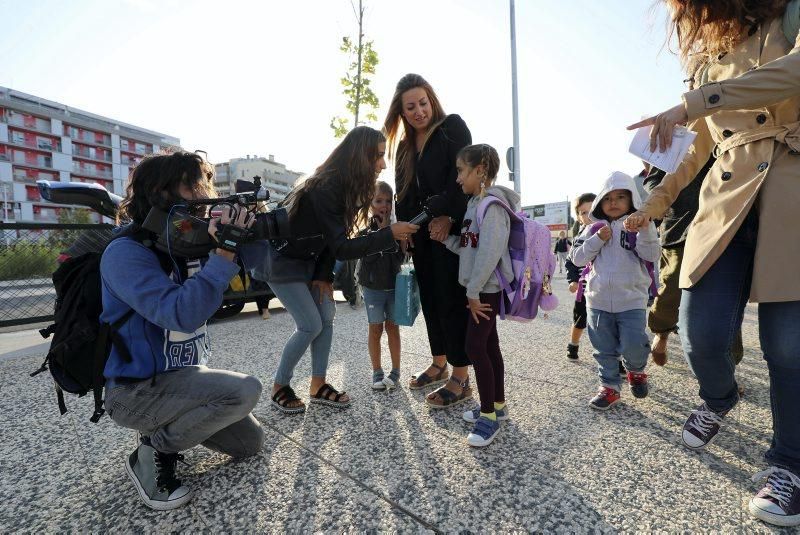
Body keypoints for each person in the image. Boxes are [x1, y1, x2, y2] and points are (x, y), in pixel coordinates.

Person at [625, 0, 800, 525]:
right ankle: (721, 397)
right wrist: (650, 207)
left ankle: (789, 463)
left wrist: (696, 100)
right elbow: (694, 149)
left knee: (788, 345)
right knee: (698, 330)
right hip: (726, 198)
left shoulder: (790, 15)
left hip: (791, 186)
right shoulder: (708, 56)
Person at [100, 151, 265, 511]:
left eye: (204, 184)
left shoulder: (188, 241)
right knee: (244, 391)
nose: (204, 196)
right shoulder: (124, 253)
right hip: (136, 389)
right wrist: (223, 256)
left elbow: (262, 270)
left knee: (249, 443)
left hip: (182, 376)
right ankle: (153, 449)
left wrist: (253, 232)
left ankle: (168, 426)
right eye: (193, 186)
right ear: (160, 192)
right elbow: (180, 314)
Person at [244, 126, 419, 415]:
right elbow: (341, 247)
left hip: (310, 261)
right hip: (282, 261)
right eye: (377, 156)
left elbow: (330, 238)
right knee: (310, 324)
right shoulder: (326, 186)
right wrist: (391, 234)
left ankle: (318, 384)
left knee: (326, 315)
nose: (383, 164)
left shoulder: (351, 188)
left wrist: (323, 275)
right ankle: (280, 386)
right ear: (359, 156)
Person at [384, 73, 474, 408]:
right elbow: (403, 193)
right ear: (402, 113)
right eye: (411, 106)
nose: (419, 110)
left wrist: (448, 216)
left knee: (452, 301)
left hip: (449, 231)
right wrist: (404, 228)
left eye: (423, 102)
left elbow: (465, 176)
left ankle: (461, 377)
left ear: (431, 100)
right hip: (420, 236)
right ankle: (439, 363)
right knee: (432, 303)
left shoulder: (452, 127)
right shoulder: (405, 147)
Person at [435, 144, 517, 447]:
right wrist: (447, 241)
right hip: (478, 290)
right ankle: (497, 406)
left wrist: (472, 292)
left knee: (475, 347)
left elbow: (490, 254)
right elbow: (471, 247)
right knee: (489, 346)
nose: (458, 179)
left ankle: (488, 418)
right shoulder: (474, 206)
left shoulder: (492, 207)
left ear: (480, 170)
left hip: (485, 291)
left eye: (461, 171)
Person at [569, 172, 660, 410]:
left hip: (631, 301)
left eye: (621, 196)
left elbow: (651, 255)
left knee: (634, 345)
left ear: (632, 201)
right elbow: (577, 259)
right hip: (597, 301)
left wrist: (646, 228)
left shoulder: (640, 226)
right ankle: (609, 387)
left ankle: (636, 370)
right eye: (608, 198)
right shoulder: (593, 228)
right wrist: (597, 239)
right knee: (603, 348)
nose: (614, 202)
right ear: (600, 202)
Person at [357, 181, 404, 390]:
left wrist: (391, 233)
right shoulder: (364, 234)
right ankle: (377, 371)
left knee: (393, 328)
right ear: (370, 203)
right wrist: (382, 233)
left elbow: (399, 259)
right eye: (378, 201)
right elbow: (367, 260)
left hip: (394, 288)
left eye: (387, 201)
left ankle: (396, 371)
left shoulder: (398, 231)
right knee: (375, 329)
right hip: (372, 289)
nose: (383, 205)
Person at [565, 193, 596, 360]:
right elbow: (570, 262)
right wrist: (573, 280)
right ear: (578, 217)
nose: (588, 216)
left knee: (607, 324)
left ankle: (614, 357)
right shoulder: (579, 238)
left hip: (604, 289)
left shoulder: (609, 231)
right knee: (579, 320)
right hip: (582, 291)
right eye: (583, 213)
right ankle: (573, 344)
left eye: (592, 210)